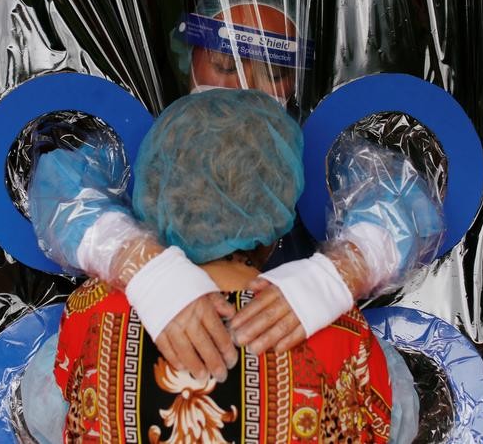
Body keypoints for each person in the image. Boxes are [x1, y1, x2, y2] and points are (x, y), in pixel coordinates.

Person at [28, 0, 446, 385]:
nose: (245, 85)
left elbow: (404, 203)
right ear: (186, 54)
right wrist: (140, 266)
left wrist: (338, 274)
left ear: (299, 79)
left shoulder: (312, 157)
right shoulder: (154, 146)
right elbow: (61, 191)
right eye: (227, 63)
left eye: (275, 72)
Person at [21, 89, 419, 443]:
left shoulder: (91, 312)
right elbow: (398, 423)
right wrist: (346, 269)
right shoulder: (341, 330)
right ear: (277, 215)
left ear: (154, 195)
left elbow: (45, 416)